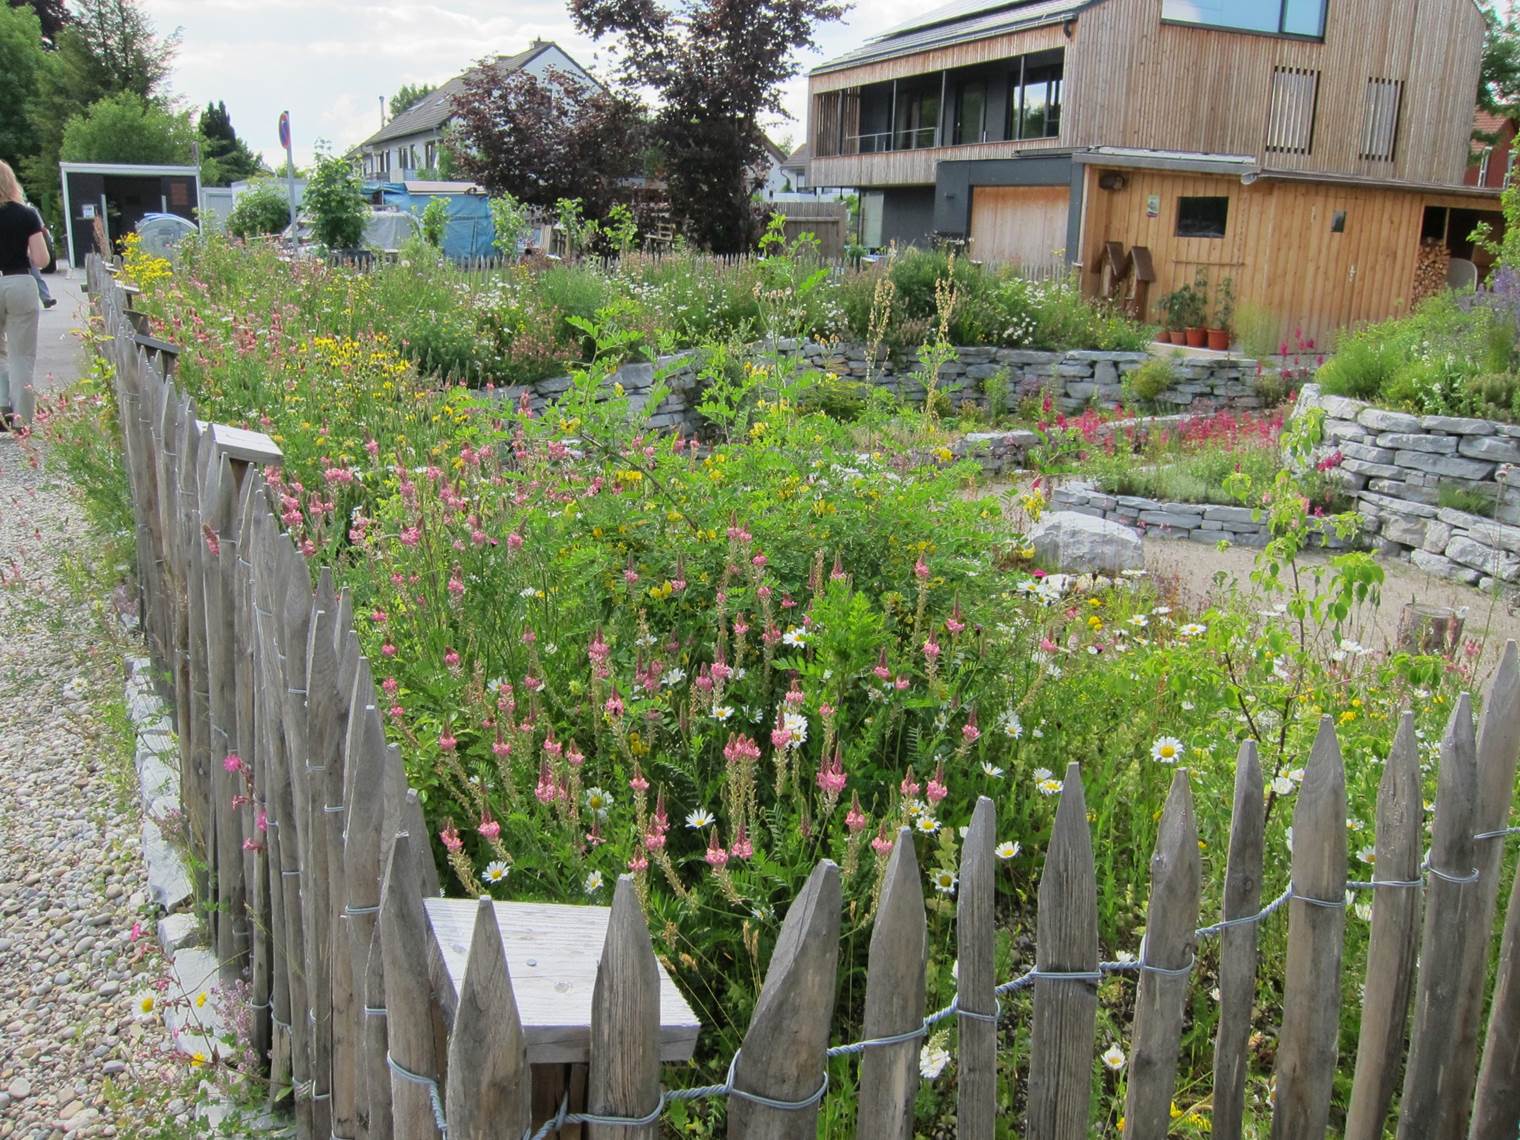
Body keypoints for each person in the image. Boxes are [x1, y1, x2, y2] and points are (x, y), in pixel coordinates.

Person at [0, 159, 48, 428]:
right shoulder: (27, 215)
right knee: (22, 355)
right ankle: (22, 420)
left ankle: (1, 403)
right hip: (18, 280)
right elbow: (40, 259)